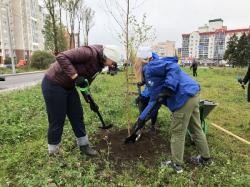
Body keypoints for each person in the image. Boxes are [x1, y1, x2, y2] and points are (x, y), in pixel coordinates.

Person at [130, 48, 212, 173]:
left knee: (177, 132)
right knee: (196, 128)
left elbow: (173, 67)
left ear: (141, 61)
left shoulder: (151, 67)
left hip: (182, 98)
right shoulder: (157, 63)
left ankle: (176, 165)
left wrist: (169, 87)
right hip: (192, 94)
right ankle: (206, 159)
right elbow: (154, 100)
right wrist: (141, 119)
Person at [42, 45, 122, 156]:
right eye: (112, 62)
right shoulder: (89, 52)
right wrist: (75, 76)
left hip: (69, 86)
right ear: (106, 56)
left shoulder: (99, 65)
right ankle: (53, 153)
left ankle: (84, 146)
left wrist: (90, 101)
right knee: (57, 119)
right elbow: (61, 57)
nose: (112, 64)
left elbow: (84, 83)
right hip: (54, 83)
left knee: (77, 115)